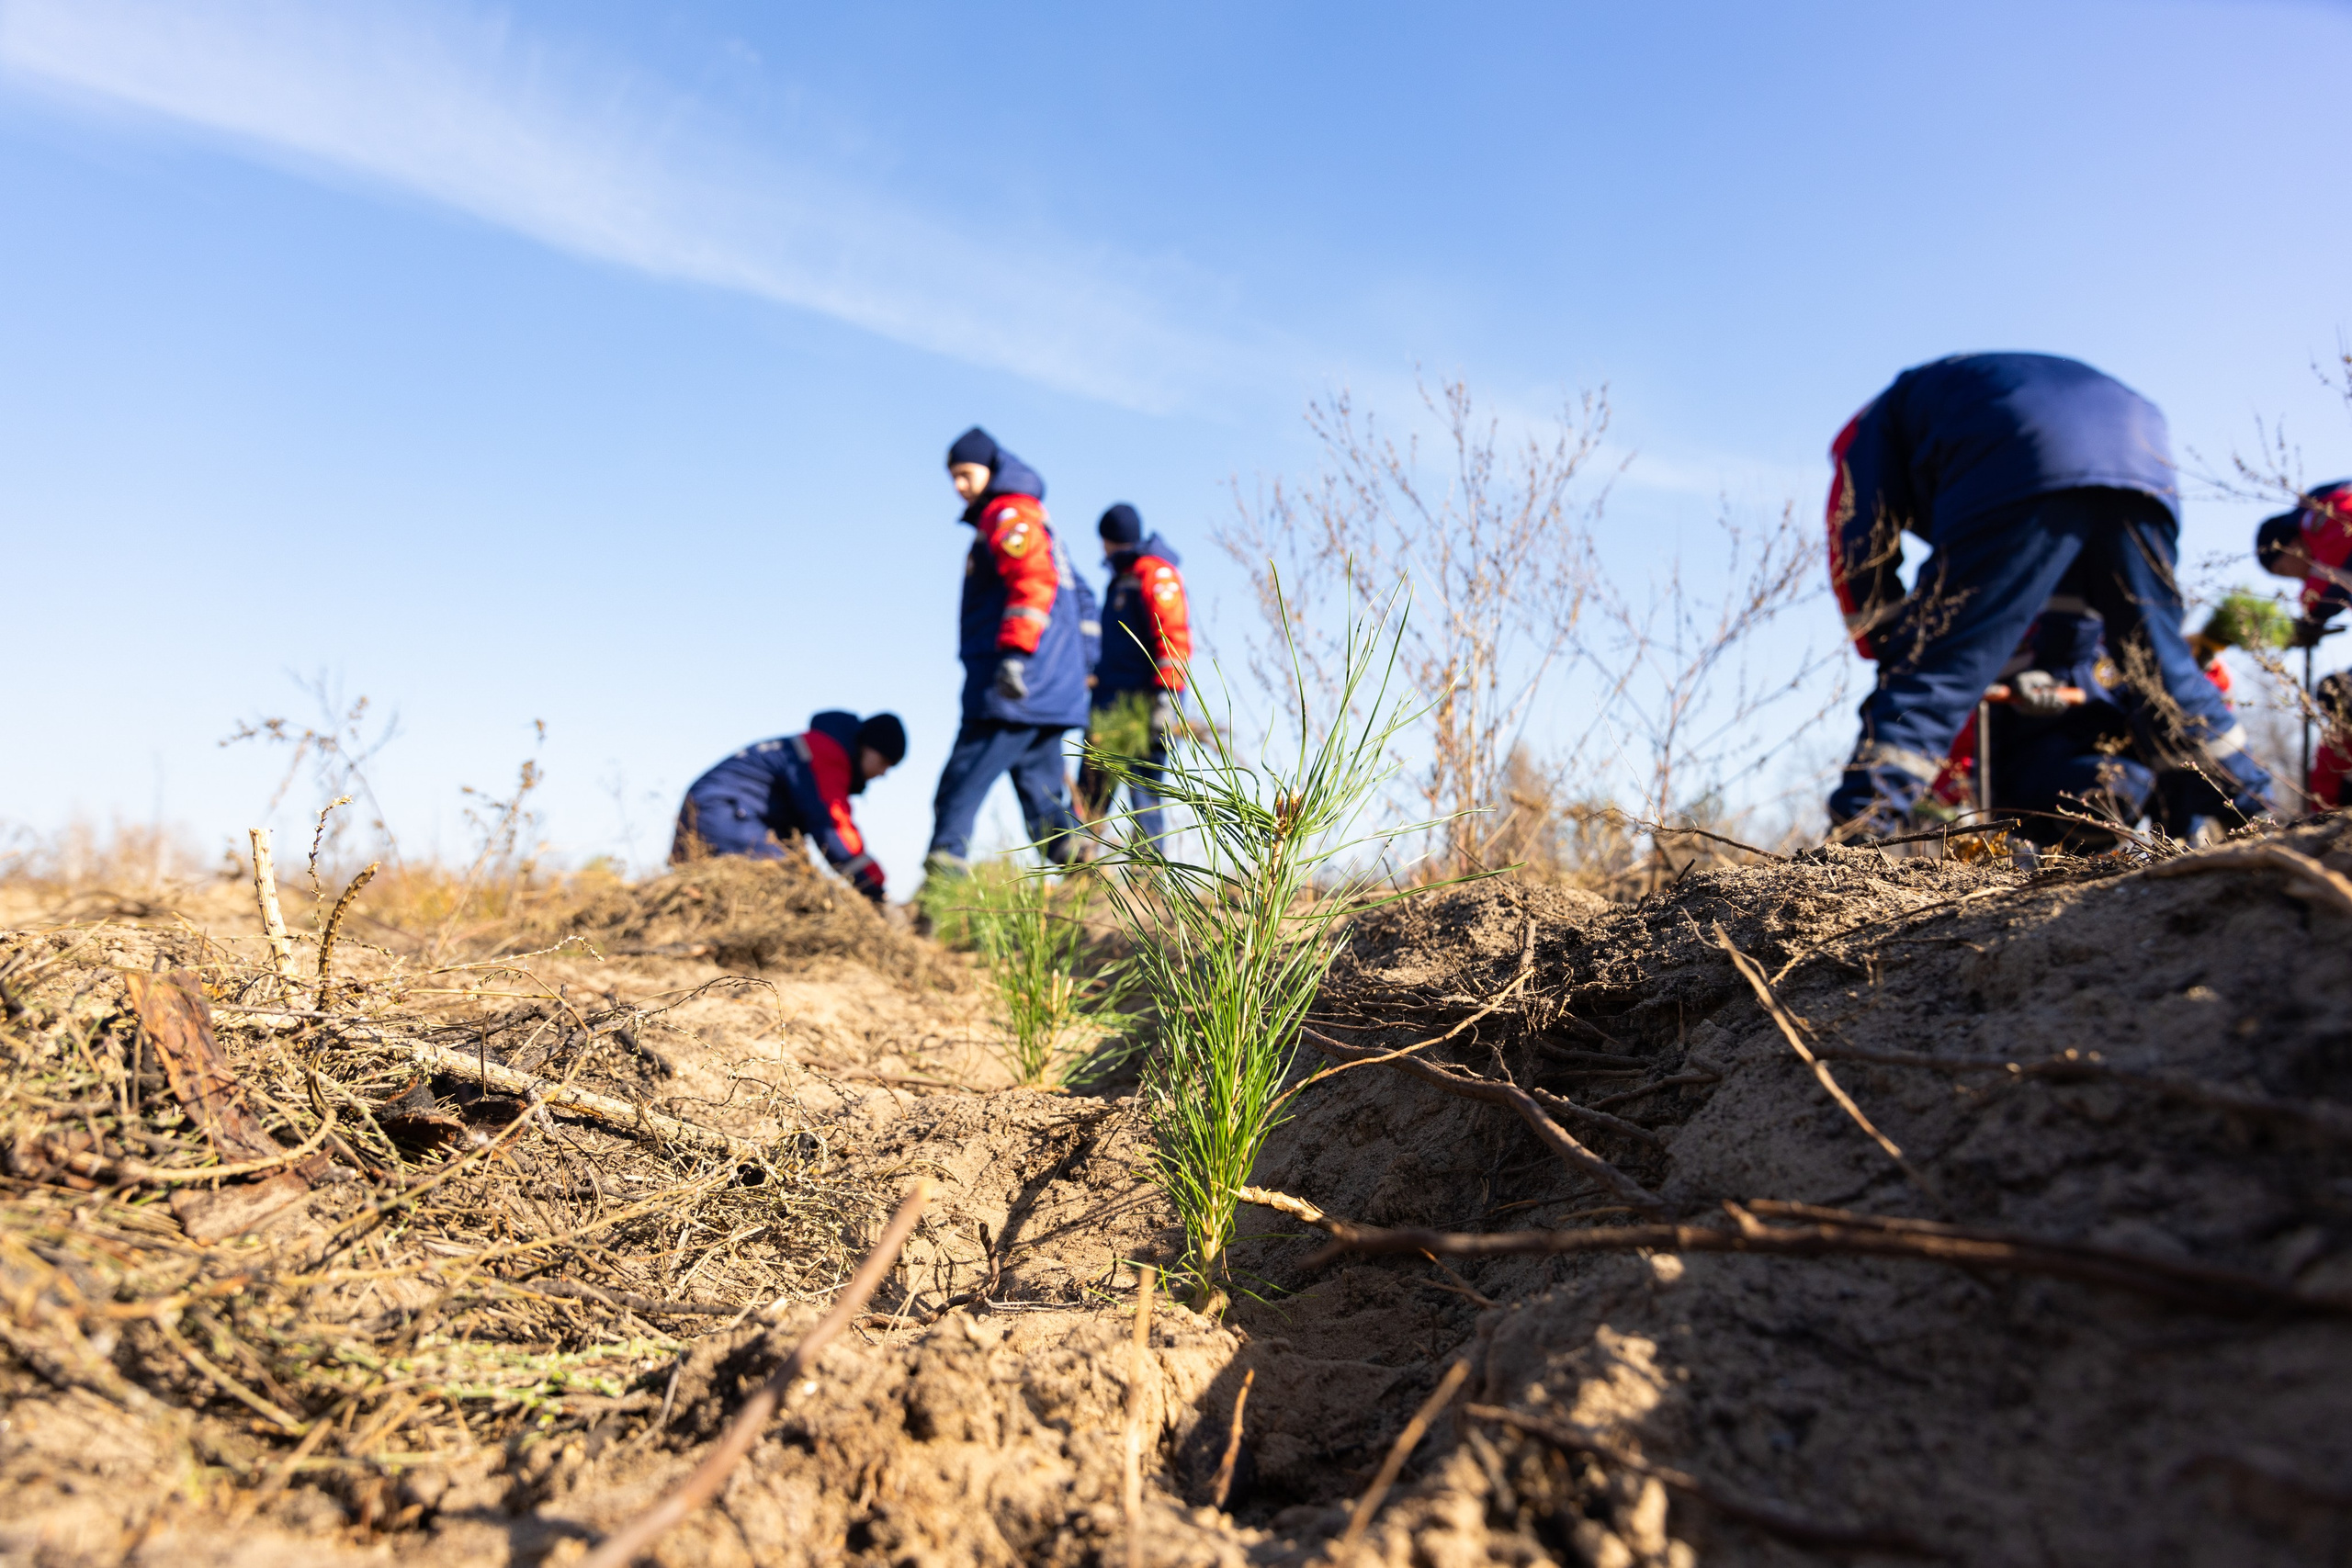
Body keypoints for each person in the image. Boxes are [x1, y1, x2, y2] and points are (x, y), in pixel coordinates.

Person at [1825, 351, 2273, 835]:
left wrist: (1891, 645)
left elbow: (1856, 539)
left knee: (1936, 672)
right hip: (2141, 458)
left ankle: (1859, 832)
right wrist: (2052, 664)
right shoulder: (1956, 395)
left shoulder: (1865, 431)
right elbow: (2064, 601)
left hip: (2015, 456)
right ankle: (2259, 813)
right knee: (2161, 667)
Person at [927, 427, 1097, 875]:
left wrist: (1015, 657)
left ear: (990, 468)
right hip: (1047, 686)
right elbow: (1083, 599)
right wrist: (1085, 668)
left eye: (966, 474)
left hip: (1013, 684)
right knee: (1043, 797)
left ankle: (940, 891)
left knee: (958, 788)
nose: (959, 486)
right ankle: (1085, 876)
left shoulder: (1008, 513)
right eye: (953, 477)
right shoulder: (1039, 520)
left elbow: (1033, 580)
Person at [672, 710, 906, 902]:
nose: (883, 773)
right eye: (884, 762)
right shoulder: (827, 752)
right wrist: (875, 888)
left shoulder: (814, 747)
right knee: (792, 886)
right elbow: (833, 828)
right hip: (724, 811)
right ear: (866, 746)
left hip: (716, 809)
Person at [1075, 502, 1192, 842]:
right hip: (1109, 706)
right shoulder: (1122, 579)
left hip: (1146, 705)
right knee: (1091, 793)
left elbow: (1172, 636)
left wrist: (1166, 699)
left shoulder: (1154, 573)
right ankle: (1080, 864)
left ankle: (1148, 867)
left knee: (1145, 791)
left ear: (1108, 539)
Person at [2255, 480, 2352, 647]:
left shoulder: (2316, 523)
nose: (2297, 578)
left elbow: (2315, 600)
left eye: (2283, 571)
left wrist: (2309, 619)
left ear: (2289, 546)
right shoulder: (2320, 497)